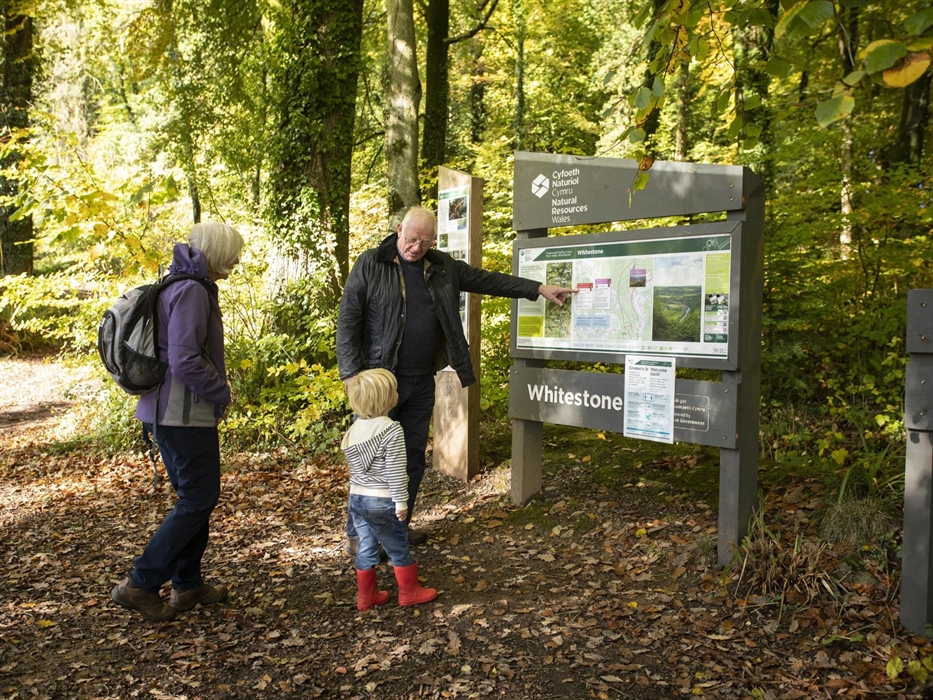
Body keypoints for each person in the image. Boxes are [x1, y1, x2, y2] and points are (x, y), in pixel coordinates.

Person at [337, 206, 574, 549]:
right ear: (399, 229)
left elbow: (488, 280)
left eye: (424, 242)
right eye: (410, 238)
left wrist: (536, 288)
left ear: (433, 241)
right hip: (377, 384)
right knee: (372, 461)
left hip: (420, 382)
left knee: (411, 458)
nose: (415, 247)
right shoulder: (371, 263)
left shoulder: (443, 268)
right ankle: (358, 536)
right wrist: (351, 375)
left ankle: (397, 530)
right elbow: (348, 320)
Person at [111, 221, 244, 622]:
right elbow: (185, 359)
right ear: (216, 253)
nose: (237, 261)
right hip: (181, 414)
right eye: (233, 253)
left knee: (195, 498)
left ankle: (187, 585)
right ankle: (141, 582)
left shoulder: (179, 282)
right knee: (198, 498)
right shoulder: (192, 291)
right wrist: (222, 392)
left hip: (164, 412)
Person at [342, 369, 437, 610]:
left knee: (366, 546)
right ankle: (409, 592)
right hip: (383, 500)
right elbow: (395, 471)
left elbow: (356, 471)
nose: (398, 393)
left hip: (358, 499)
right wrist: (401, 503)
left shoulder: (354, 429)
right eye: (394, 390)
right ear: (386, 399)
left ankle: (366, 597)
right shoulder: (391, 429)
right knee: (397, 546)